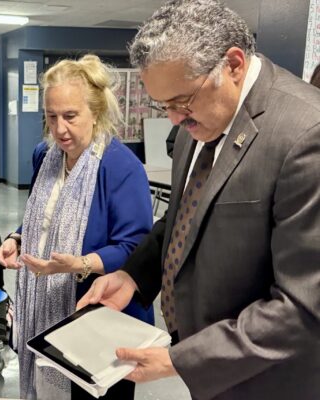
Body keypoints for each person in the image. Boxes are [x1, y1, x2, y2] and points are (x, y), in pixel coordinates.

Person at [77, 1, 320, 399]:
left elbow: (303, 306)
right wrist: (134, 274)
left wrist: (181, 360)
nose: (173, 119)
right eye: (164, 105)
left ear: (234, 65)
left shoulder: (305, 134)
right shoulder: (199, 120)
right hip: (214, 372)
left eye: (181, 101)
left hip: (271, 380)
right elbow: (184, 217)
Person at [0, 55, 154, 400]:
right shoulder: (46, 155)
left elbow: (136, 246)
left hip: (98, 312)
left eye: (70, 116)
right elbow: (45, 216)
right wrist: (18, 237)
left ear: (95, 112)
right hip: (46, 308)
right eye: (51, 117)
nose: (59, 129)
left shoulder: (120, 166)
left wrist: (80, 264)